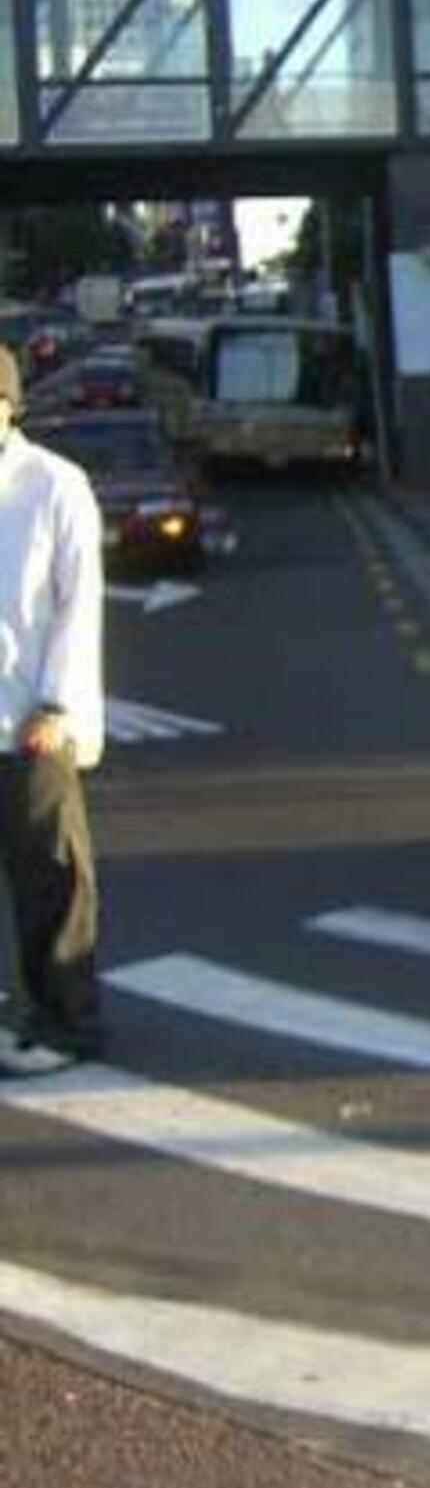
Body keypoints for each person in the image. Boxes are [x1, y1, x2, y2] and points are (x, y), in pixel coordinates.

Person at [0, 347, 106, 1076]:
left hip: (34, 724)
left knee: (50, 879)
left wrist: (58, 704)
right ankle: (21, 1012)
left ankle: (68, 1023)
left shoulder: (54, 486)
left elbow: (79, 604)